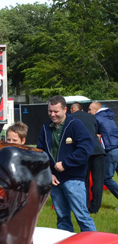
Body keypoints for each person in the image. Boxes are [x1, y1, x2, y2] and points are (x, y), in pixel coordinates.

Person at [37, 96, 96, 232]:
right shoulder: (46, 128)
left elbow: (86, 148)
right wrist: (49, 173)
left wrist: (66, 164)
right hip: (55, 180)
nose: (52, 114)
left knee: (82, 217)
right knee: (62, 217)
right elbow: (41, 153)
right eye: (50, 111)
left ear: (65, 109)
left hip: (73, 178)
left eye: (56, 111)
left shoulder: (75, 125)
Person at [70, 103, 105, 214]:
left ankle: (84, 206)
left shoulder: (71, 118)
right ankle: (95, 208)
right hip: (98, 151)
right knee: (98, 181)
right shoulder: (92, 117)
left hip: (84, 151)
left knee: (83, 180)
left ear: (72, 109)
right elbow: (96, 133)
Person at [89, 101, 118, 207]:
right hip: (116, 147)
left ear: (96, 110)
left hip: (111, 150)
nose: (88, 112)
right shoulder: (108, 117)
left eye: (90, 109)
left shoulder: (97, 118)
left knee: (106, 178)